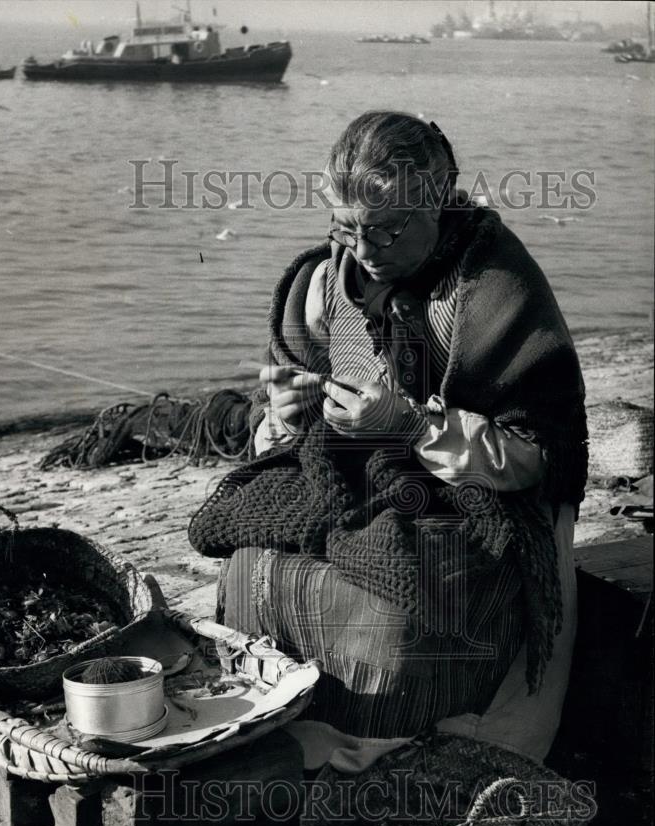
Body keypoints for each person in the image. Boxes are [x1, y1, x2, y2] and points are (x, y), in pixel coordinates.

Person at [189, 111, 588, 772]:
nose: (364, 250)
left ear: (433, 203)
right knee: (248, 557)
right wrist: (287, 410)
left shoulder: (492, 287)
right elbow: (299, 402)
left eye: (386, 230)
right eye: (345, 228)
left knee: (398, 612)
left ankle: (389, 752)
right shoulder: (334, 280)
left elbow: (531, 458)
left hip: (486, 497)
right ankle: (276, 722)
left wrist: (409, 426)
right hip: (369, 470)